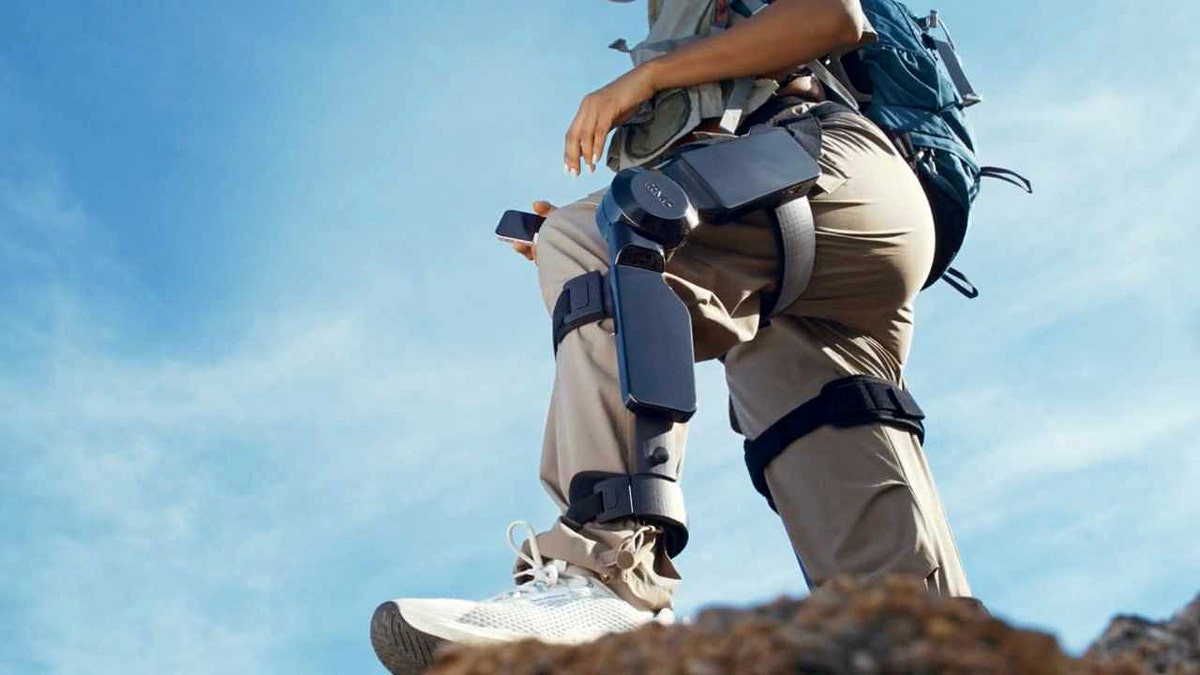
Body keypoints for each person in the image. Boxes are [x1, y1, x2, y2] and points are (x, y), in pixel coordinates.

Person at [371, 1, 974, 672]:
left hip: (836, 167)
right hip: (826, 253)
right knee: (870, 556)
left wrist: (645, 86)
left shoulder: (677, 45)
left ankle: (606, 575)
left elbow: (831, 14)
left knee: (597, 240)